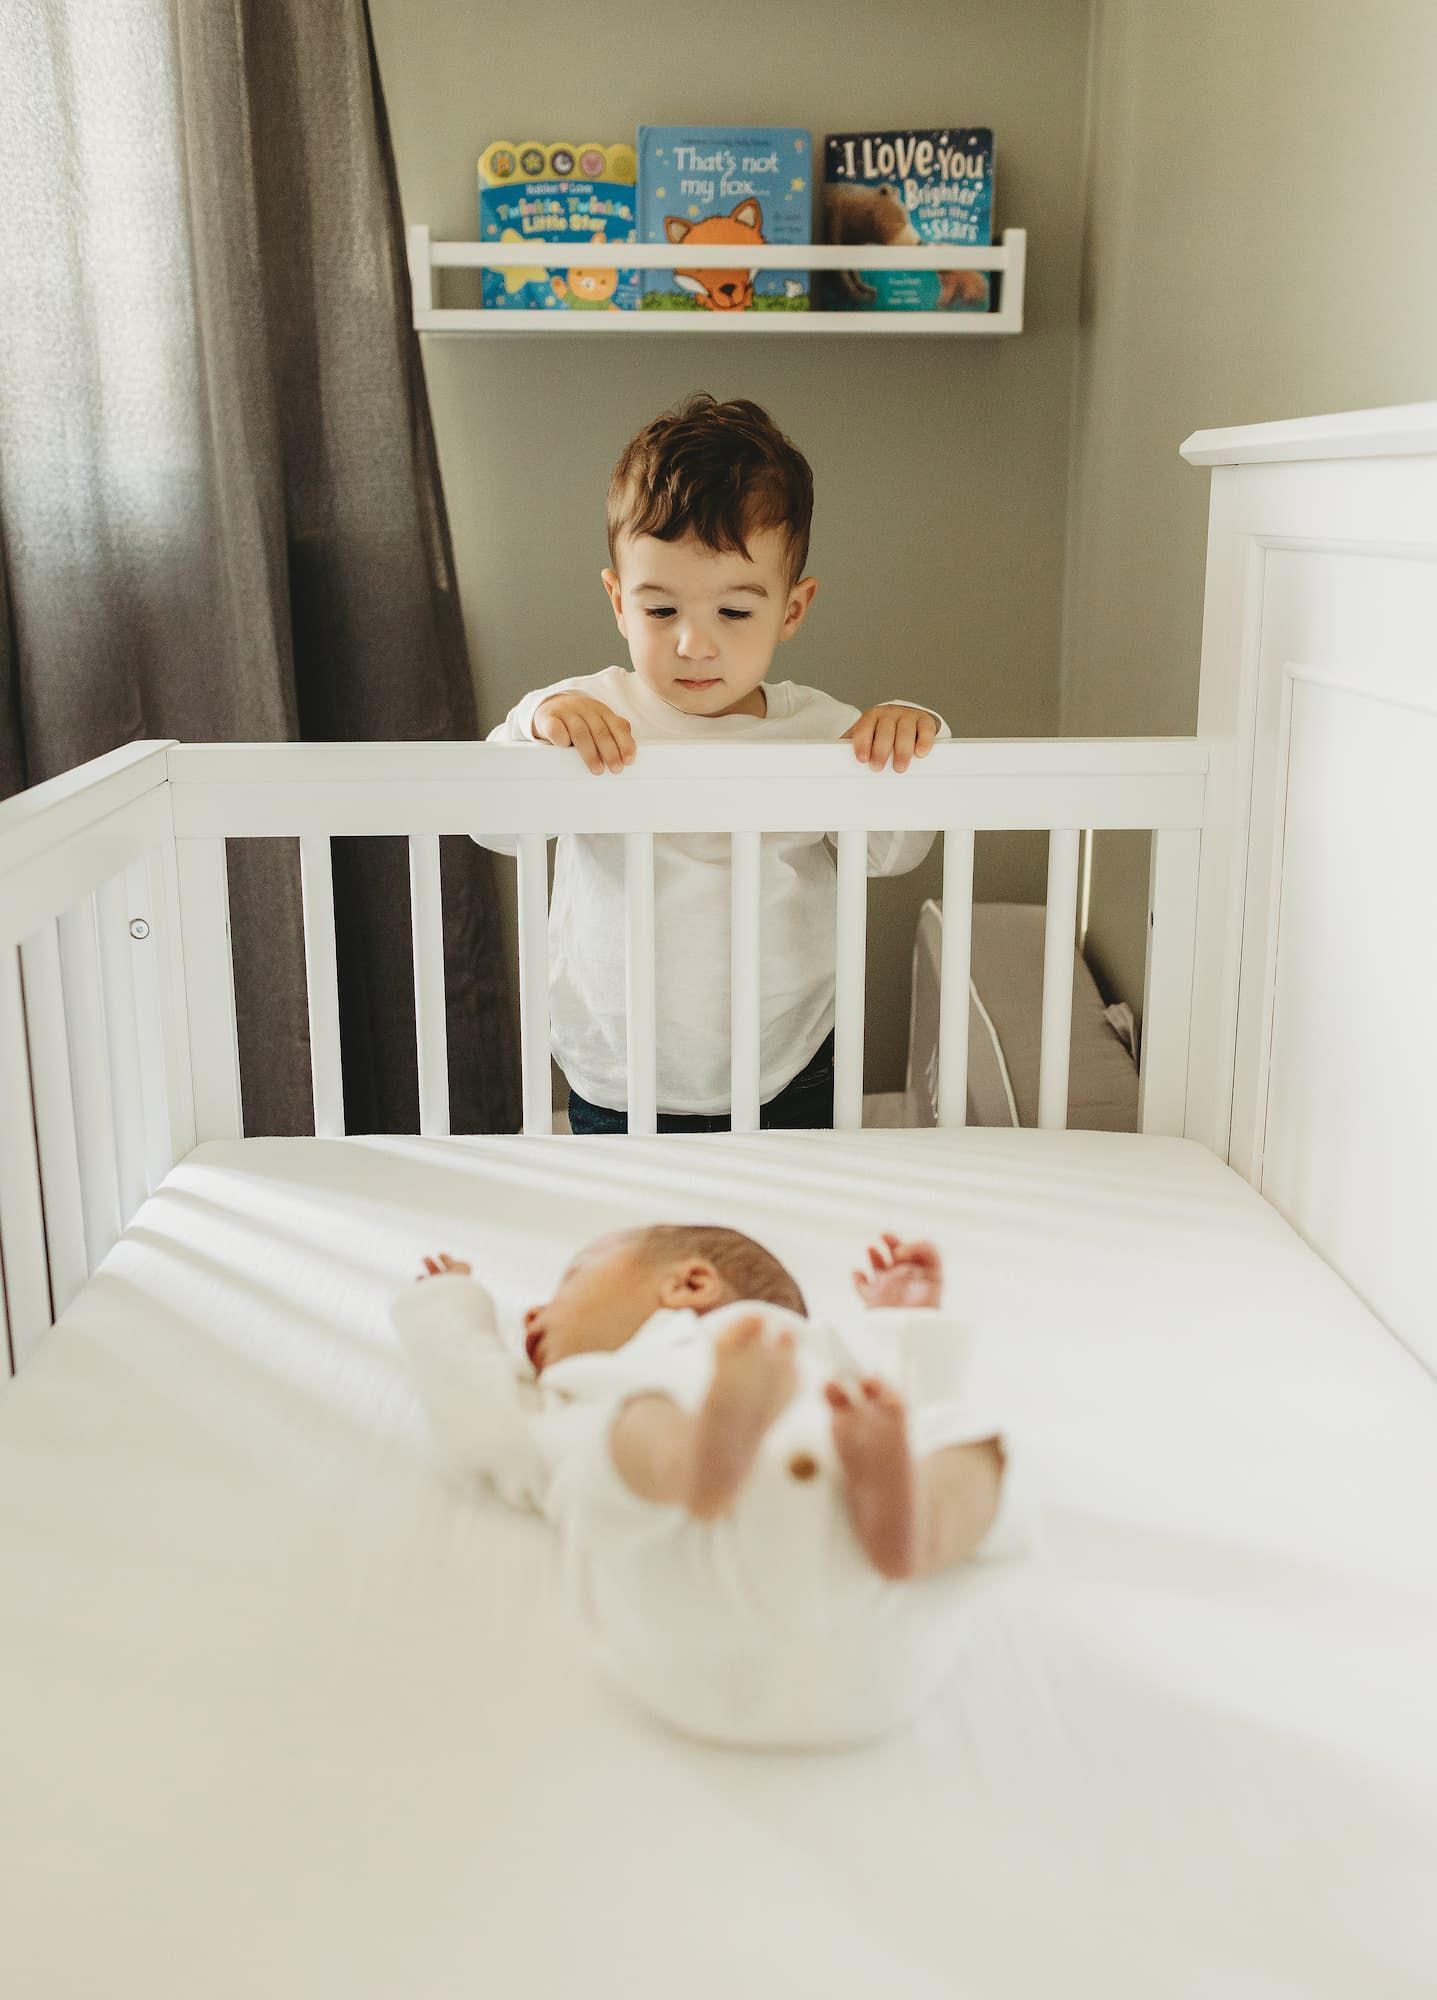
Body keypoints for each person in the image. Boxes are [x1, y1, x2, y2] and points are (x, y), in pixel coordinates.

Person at [477, 393, 950, 1132]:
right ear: (618, 602)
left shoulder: (822, 730)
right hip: (616, 1069)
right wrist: (532, 724)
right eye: (660, 610)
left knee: (782, 1237)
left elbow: (890, 852)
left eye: (733, 612)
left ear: (791, 611)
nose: (694, 645)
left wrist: (912, 737)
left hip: (787, 1063)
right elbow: (493, 827)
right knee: (635, 1242)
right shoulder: (583, 716)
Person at [391, 1226, 1028, 1748]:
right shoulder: (590, 1388)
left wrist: (449, 1307)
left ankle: (907, 1522)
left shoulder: (808, 1361)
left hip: (803, 1602)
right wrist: (911, 1332)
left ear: (689, 1283)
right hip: (787, 1613)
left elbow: (469, 1396)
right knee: (635, 1421)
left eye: (567, 1284)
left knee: (967, 1440)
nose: (531, 1313)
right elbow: (485, 1415)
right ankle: (703, 1458)